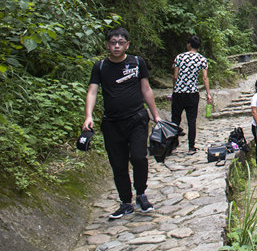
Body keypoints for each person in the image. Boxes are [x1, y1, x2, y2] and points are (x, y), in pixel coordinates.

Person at [82, 27, 162, 220]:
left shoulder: (137, 62)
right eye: (113, 43)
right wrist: (88, 115)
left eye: (120, 43)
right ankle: (126, 202)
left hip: (136, 119)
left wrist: (155, 115)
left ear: (127, 44)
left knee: (138, 157)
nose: (116, 46)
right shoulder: (100, 67)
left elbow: (146, 89)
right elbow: (92, 91)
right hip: (112, 123)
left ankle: (141, 194)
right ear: (107, 45)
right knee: (118, 164)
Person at [170, 34, 212, 154]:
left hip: (179, 92)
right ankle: (191, 147)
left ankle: (172, 145)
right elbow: (205, 78)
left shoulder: (179, 57)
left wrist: (175, 88)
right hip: (192, 93)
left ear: (189, 44)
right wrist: (208, 93)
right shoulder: (202, 59)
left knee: (175, 119)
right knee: (191, 120)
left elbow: (175, 76)